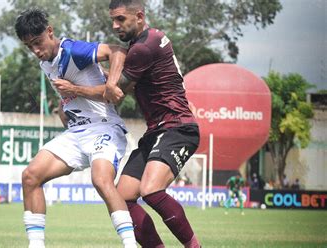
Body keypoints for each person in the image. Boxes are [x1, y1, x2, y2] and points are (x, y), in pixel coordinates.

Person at [14, 9, 136, 248]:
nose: (36, 50)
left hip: (104, 128)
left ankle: (130, 244)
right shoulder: (45, 63)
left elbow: (118, 50)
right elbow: (69, 98)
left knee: (101, 180)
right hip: (77, 133)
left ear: (50, 32)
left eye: (38, 42)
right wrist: (66, 108)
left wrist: (110, 84)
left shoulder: (71, 50)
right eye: (29, 46)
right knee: (30, 177)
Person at [102, 1, 201, 247]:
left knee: (151, 189)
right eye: (113, 20)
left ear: (139, 16)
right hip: (157, 131)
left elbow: (114, 91)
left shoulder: (143, 48)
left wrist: (74, 84)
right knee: (122, 198)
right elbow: (121, 83)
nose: (115, 26)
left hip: (177, 128)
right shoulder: (147, 41)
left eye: (120, 19)